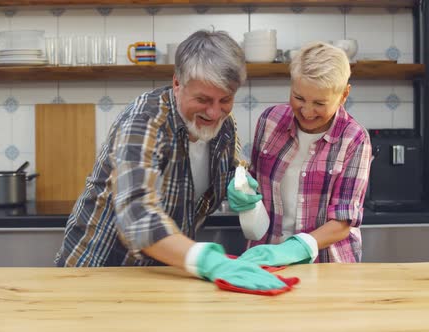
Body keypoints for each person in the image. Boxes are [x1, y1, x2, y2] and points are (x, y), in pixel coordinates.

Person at [55, 30, 287, 291]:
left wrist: (239, 182)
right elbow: (137, 216)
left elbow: (233, 164)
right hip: (98, 274)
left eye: (226, 100)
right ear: (177, 83)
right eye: (202, 99)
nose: (214, 112)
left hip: (164, 275)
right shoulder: (145, 120)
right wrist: (208, 260)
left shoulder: (224, 125)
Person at [228, 41, 372, 265]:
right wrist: (243, 189)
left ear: (344, 95)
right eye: (299, 98)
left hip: (327, 266)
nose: (306, 111)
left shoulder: (354, 138)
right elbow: (256, 183)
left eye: (319, 103)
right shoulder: (270, 121)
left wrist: (296, 248)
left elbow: (343, 222)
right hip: (266, 258)